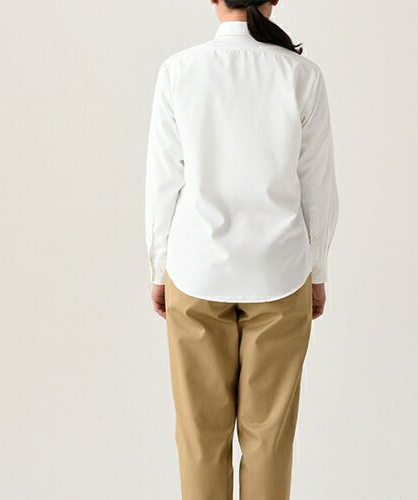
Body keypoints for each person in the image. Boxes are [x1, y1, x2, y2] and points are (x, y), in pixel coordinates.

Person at [145, 1, 339, 499]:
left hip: (197, 271)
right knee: (269, 439)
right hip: (280, 273)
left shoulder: (179, 71)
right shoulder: (302, 76)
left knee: (199, 439)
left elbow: (163, 184)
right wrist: (317, 271)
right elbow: (318, 189)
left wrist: (159, 268)